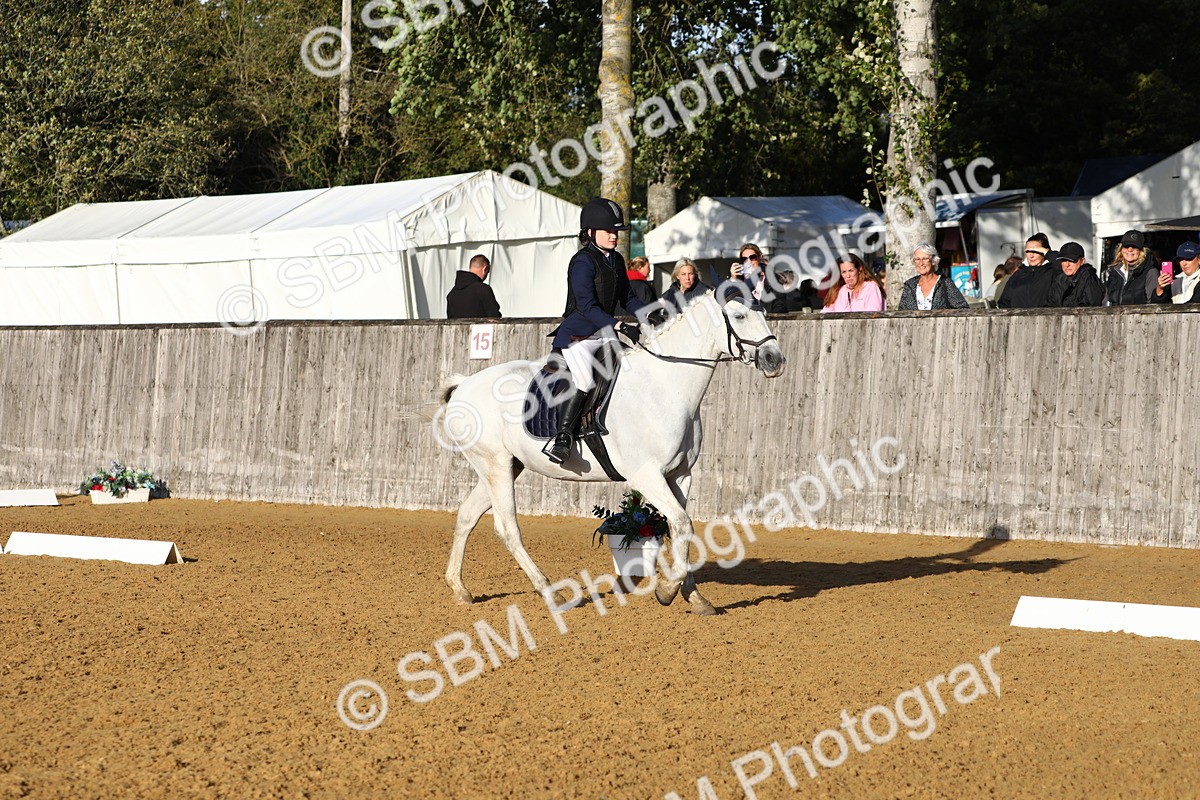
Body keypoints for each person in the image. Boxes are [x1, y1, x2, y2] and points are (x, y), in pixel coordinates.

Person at [546, 197, 647, 464]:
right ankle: (562, 438)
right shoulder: (582, 262)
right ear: (590, 232)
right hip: (578, 335)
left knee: (632, 368)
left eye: (616, 231)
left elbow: (627, 297)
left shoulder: (616, 260)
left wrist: (650, 313)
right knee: (584, 381)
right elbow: (587, 306)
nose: (614, 236)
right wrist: (620, 325)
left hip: (604, 334)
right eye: (609, 231)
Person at [898, 244, 969, 310]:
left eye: (925, 259)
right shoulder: (909, 286)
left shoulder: (945, 283)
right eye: (917, 259)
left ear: (933, 261)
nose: (921, 263)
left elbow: (963, 309)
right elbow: (901, 313)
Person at [998, 233, 1056, 308]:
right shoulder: (1018, 275)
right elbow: (1004, 302)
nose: (1031, 255)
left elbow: (1063, 264)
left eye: (1036, 251)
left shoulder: (1053, 271)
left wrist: (1049, 253)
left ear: (1045, 251)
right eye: (1028, 251)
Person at [1104, 229, 1158, 305]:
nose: (1130, 249)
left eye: (1134, 247)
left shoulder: (1150, 272)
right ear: (1121, 249)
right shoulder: (1115, 271)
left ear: (1141, 250)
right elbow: (1106, 300)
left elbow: (1154, 304)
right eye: (1126, 246)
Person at [1046, 242, 1104, 307]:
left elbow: (1091, 306)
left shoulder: (1089, 279)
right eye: (1064, 260)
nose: (1067, 265)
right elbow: (1049, 305)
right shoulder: (1058, 281)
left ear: (1082, 261)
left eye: (1072, 260)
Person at [445, 254, 501, 319]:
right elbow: (495, 317)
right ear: (485, 269)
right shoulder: (483, 290)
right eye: (487, 272)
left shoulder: (452, 294)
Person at [726, 242, 770, 308]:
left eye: (752, 257)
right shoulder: (741, 279)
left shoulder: (771, 276)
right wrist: (733, 278)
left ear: (760, 257)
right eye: (744, 259)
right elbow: (731, 302)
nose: (749, 262)